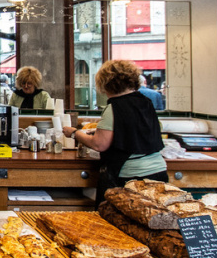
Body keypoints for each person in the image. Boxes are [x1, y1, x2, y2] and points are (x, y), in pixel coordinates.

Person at [62, 59, 167, 207]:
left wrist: (74, 133)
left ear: (106, 83)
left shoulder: (114, 108)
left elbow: (99, 144)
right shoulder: (146, 102)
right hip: (159, 172)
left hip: (131, 178)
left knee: (118, 223)